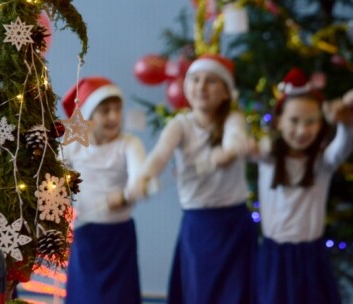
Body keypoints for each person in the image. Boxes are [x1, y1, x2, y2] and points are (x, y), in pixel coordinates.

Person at [118, 54, 257, 304]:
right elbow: (159, 156)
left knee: (236, 294)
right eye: (195, 79)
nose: (201, 86)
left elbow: (234, 141)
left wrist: (226, 153)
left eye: (211, 81)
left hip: (233, 224)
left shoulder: (232, 119)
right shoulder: (180, 124)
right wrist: (143, 178)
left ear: (226, 92)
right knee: (199, 292)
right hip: (198, 224)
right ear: (185, 86)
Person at [251, 68, 353, 304]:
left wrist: (345, 119)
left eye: (310, 122)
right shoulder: (268, 159)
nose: (302, 130)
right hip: (274, 256)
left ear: (320, 124)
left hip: (311, 257)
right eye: (294, 121)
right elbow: (249, 148)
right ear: (278, 121)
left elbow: (346, 143)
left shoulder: (322, 163)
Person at [61, 76, 152, 304]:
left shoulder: (129, 144)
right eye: (105, 111)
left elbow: (141, 179)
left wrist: (127, 195)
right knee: (84, 296)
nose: (113, 117)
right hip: (85, 236)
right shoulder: (73, 145)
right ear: (89, 117)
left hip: (118, 237)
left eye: (117, 109)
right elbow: (51, 178)